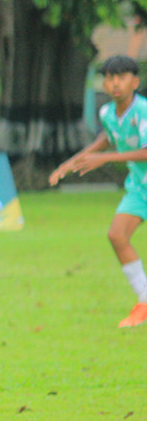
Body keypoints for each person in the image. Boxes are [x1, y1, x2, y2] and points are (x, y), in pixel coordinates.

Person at [49, 55, 147, 327]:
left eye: (121, 76)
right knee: (117, 235)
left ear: (135, 81)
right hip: (141, 189)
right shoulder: (107, 113)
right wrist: (70, 164)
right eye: (109, 77)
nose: (115, 83)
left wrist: (103, 159)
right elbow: (106, 139)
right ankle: (144, 301)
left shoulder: (143, 112)